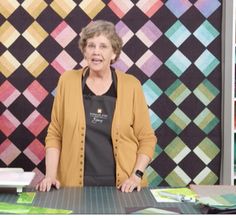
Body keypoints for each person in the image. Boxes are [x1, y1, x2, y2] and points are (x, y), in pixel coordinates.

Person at [36, 20, 157, 193]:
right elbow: (55, 133)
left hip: (123, 187)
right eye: (91, 45)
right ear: (84, 51)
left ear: (114, 53)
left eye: (103, 46)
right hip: (73, 187)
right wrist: (50, 175)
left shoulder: (131, 85)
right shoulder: (67, 81)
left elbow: (147, 138)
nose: (96, 52)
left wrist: (135, 176)